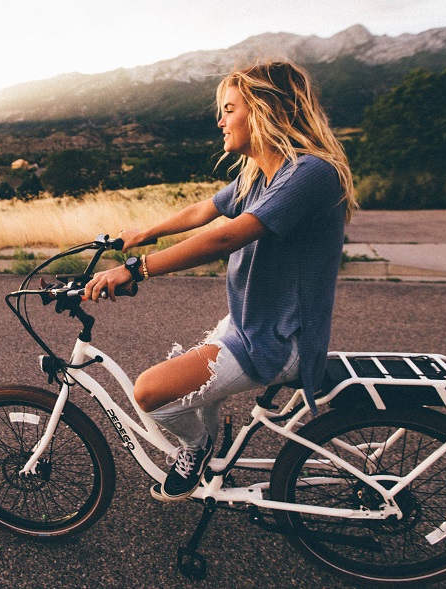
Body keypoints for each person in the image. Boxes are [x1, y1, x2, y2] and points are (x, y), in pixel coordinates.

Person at [83, 61, 357, 502]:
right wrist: (145, 233)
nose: (220, 120)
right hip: (248, 324)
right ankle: (209, 452)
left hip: (280, 339)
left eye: (230, 109)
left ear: (266, 110)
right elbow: (205, 211)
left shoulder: (309, 173)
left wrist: (137, 268)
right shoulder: (259, 176)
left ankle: (196, 446)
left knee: (150, 392)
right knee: (190, 383)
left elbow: (226, 235)